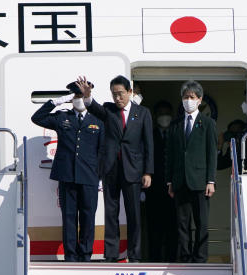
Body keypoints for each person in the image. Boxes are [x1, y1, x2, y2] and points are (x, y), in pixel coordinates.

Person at [76, 75, 154, 263]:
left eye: (120, 94)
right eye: (114, 95)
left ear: (129, 92)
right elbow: (94, 108)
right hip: (111, 168)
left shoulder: (142, 113)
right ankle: (111, 254)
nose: (117, 98)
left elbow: (148, 144)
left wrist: (147, 172)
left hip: (133, 170)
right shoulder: (109, 110)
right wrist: (87, 96)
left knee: (133, 214)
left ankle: (134, 254)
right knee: (111, 213)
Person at [31, 82, 104, 262]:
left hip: (89, 176)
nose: (78, 100)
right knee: (69, 216)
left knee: (88, 215)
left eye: (81, 96)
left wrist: (101, 177)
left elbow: (102, 150)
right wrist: (57, 102)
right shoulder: (63, 116)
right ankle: (70, 255)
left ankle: (86, 254)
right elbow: (37, 118)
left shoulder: (97, 119)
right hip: (67, 175)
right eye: (75, 96)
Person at [165, 80, 217, 263]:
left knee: (201, 222)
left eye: (192, 97)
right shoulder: (175, 124)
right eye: (185, 97)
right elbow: (169, 154)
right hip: (180, 181)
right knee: (182, 223)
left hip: (200, 181)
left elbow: (212, 154)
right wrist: (169, 181)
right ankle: (185, 257)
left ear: (200, 100)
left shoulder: (208, 123)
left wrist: (211, 180)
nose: (188, 100)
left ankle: (200, 257)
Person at [145, 100, 177, 262]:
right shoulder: (149, 135)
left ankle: (173, 259)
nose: (164, 117)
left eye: (167, 113)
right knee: (154, 228)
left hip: (175, 190)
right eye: (161, 113)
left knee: (174, 227)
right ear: (155, 116)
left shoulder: (177, 133)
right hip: (153, 189)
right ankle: (154, 259)